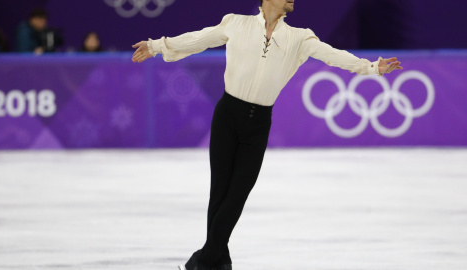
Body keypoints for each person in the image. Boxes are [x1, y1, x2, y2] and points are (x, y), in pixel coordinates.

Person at [132, 0, 402, 269]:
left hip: (259, 123)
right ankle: (218, 260)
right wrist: (156, 46)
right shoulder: (236, 23)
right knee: (219, 193)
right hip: (228, 115)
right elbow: (198, 39)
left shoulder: (299, 37)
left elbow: (333, 55)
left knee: (238, 194)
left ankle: (204, 260)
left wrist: (371, 67)